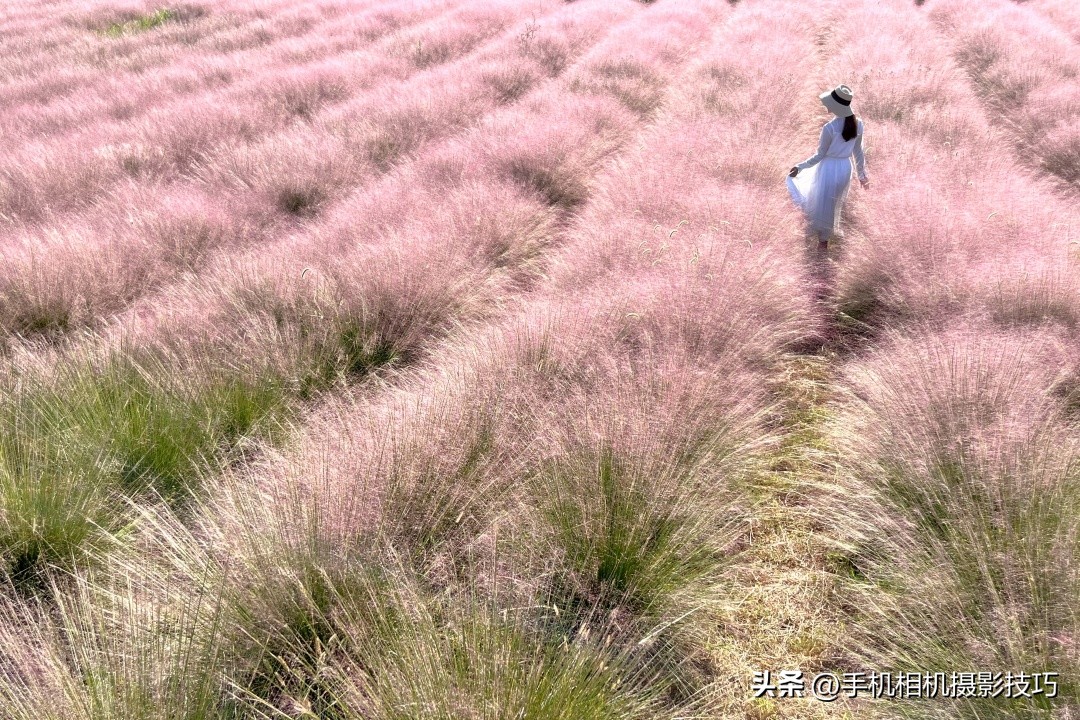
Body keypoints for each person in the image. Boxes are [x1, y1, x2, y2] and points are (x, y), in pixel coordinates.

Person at [787, 84, 869, 251]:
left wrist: (800, 167)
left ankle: (822, 240)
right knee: (832, 204)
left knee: (821, 203)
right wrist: (862, 175)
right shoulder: (858, 124)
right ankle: (824, 239)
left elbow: (820, 155)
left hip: (829, 168)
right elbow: (858, 152)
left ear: (835, 106)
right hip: (845, 169)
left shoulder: (829, 128)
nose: (826, 105)